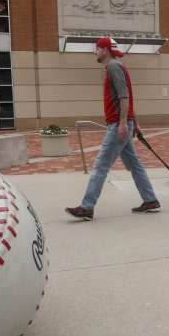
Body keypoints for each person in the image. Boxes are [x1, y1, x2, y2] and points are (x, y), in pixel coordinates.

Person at [66, 37, 160, 221]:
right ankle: (151, 200)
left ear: (105, 50)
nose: (95, 52)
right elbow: (128, 97)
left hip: (118, 124)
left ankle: (87, 207)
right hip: (123, 122)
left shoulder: (113, 67)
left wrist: (125, 123)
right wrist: (134, 122)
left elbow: (124, 97)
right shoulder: (117, 66)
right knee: (135, 165)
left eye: (97, 48)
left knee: (100, 165)